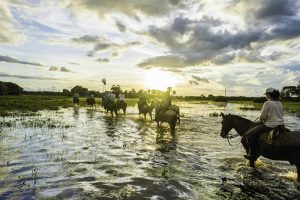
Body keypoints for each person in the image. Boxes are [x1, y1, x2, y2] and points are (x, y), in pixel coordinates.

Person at [242, 87, 285, 160]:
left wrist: (260, 120)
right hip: (281, 124)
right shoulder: (279, 102)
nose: (266, 96)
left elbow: (262, 117)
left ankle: (252, 154)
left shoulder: (267, 103)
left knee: (248, 135)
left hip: (270, 125)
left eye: (266, 94)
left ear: (269, 94)